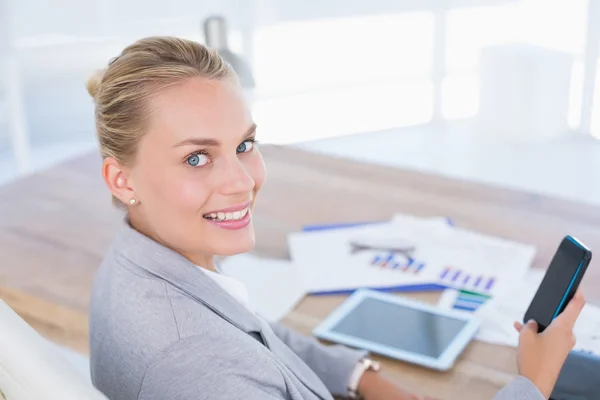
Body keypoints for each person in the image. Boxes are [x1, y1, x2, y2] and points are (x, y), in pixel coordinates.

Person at [87, 36, 589, 400]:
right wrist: (534, 382)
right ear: (121, 179)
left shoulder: (142, 260)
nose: (241, 180)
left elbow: (254, 334)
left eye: (244, 145)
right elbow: (223, 356)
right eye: (197, 157)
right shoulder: (195, 365)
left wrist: (367, 379)